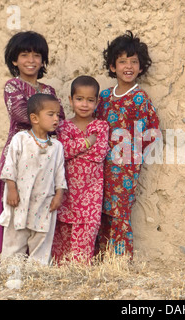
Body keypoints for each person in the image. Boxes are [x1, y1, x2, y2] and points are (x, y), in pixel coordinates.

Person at [0, 31, 65, 265]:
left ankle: (36, 263)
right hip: (19, 153)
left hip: (46, 157)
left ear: (43, 60)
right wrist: (48, 118)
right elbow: (20, 114)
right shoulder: (13, 86)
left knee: (40, 200)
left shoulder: (48, 91)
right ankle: (2, 262)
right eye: (24, 54)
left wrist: (51, 119)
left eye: (37, 55)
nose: (31, 60)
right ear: (14, 60)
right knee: (12, 199)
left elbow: (60, 118)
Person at [94, 31, 160, 259]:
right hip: (99, 167)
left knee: (119, 213)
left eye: (134, 62)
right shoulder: (103, 97)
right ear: (112, 66)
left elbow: (152, 132)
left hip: (125, 170)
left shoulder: (140, 99)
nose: (128, 66)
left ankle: (120, 261)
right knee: (100, 211)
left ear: (141, 67)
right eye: (122, 61)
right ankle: (101, 258)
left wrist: (130, 153)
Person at [0, 93, 67, 265]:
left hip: (44, 202)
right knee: (15, 237)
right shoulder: (20, 139)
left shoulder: (56, 146)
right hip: (20, 200)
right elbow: (9, 166)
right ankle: (12, 273)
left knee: (42, 238)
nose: (56, 119)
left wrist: (59, 195)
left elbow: (60, 172)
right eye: (50, 114)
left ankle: (37, 274)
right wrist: (11, 189)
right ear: (35, 118)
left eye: (57, 115)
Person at [51, 76, 109, 264]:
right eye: (79, 99)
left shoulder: (101, 126)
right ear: (70, 100)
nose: (84, 104)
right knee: (62, 242)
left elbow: (99, 154)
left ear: (97, 102)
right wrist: (86, 143)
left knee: (84, 242)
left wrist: (74, 149)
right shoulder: (63, 126)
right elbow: (62, 151)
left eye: (90, 100)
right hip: (66, 195)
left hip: (90, 197)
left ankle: (81, 274)